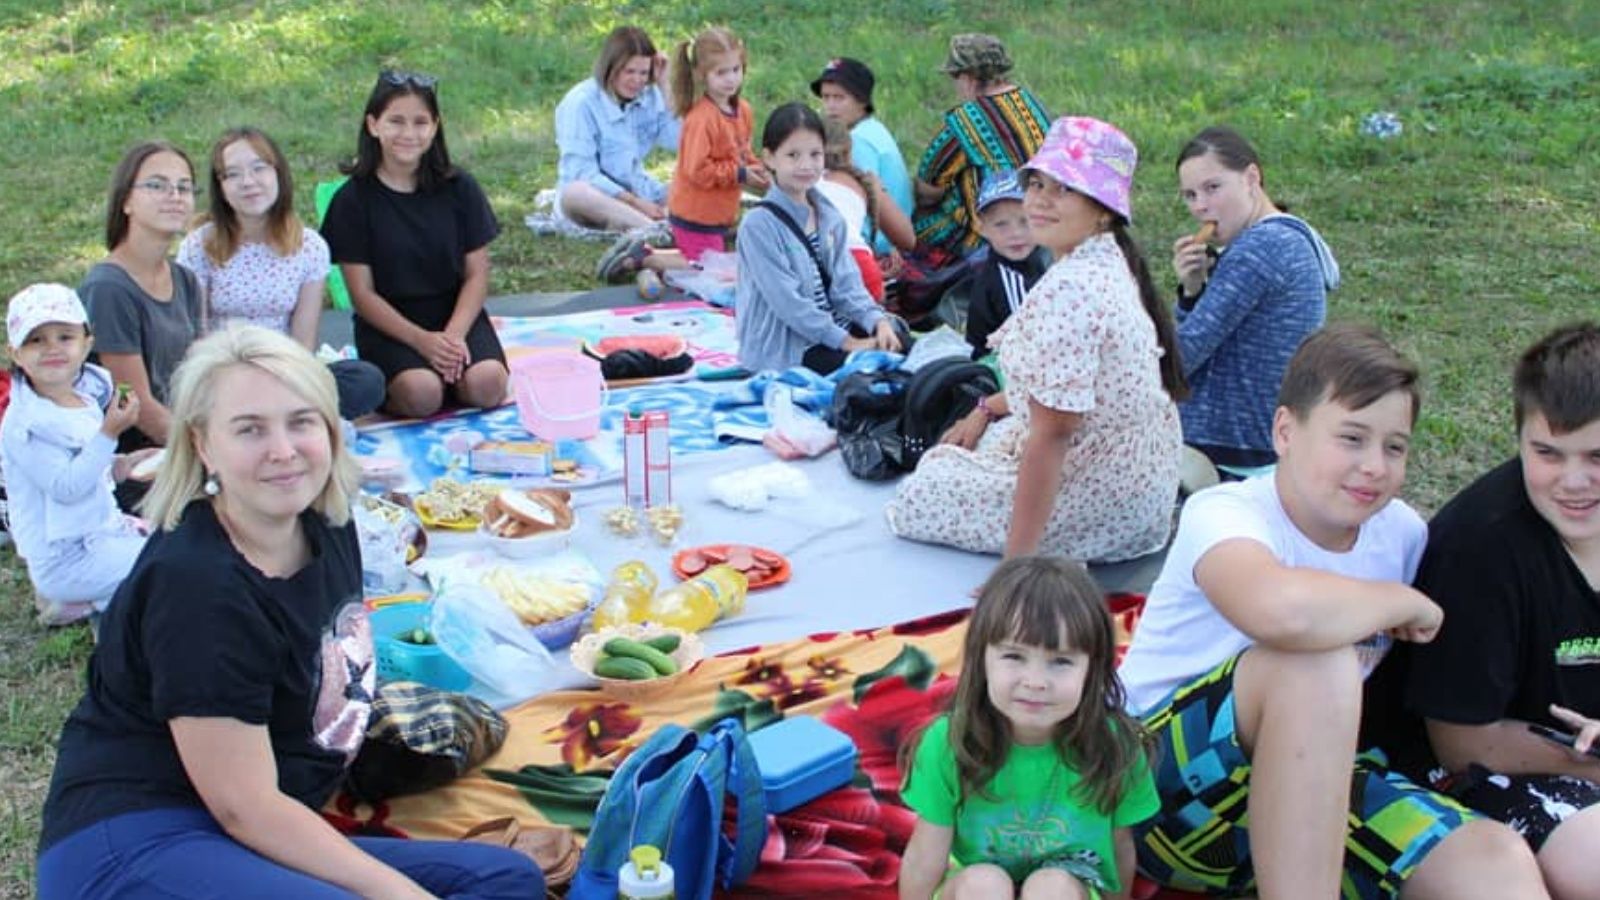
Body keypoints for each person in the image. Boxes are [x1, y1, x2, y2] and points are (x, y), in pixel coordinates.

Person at [35, 325, 544, 900]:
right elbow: (244, 808)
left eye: (301, 421)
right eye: (249, 429)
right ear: (203, 444)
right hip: (138, 839)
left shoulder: (327, 523)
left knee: (507, 878)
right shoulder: (199, 586)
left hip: (247, 823)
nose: (283, 450)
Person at [1116, 325, 1550, 900]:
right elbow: (1278, 613)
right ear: (1285, 431)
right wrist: (1396, 600)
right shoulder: (1224, 514)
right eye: (1351, 437)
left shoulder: (1402, 536)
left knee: (1492, 861)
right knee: (1316, 665)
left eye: (1394, 446)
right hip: (1148, 793)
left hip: (1308, 797)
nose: (1374, 464)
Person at [887, 116, 1185, 563]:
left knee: (921, 489)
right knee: (974, 441)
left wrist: (1016, 566)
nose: (1041, 202)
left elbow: (1052, 436)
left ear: (1102, 207)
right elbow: (1064, 394)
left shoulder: (1071, 289)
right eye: (1037, 185)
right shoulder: (1106, 257)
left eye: (1063, 189)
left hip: (1104, 497)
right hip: (1140, 484)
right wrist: (986, 408)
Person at [1395, 322, 1600, 897]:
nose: (1574, 481)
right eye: (1548, 453)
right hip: (1484, 773)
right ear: (1519, 440)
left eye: (1597, 455)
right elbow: (1463, 743)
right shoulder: (1481, 544)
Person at [898, 555, 1158, 900]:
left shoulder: (1115, 747)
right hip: (972, 880)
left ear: (1092, 669)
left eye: (1061, 661)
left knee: (1053, 888)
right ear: (982, 659)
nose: (1035, 682)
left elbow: (1120, 846)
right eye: (1014, 656)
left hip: (1072, 882)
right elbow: (923, 856)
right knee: (985, 884)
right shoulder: (948, 743)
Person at [322, 69, 509, 419]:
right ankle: (421, 384)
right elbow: (362, 295)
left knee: (488, 385)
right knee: (421, 395)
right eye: (396, 121)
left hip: (456, 315)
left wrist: (452, 338)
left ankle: (455, 378)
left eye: (420, 122)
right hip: (391, 323)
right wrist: (423, 341)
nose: (409, 133)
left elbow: (477, 275)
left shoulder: (460, 187)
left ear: (435, 127)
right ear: (373, 124)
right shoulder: (353, 201)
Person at [177, 127, 385, 421]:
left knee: (365, 379)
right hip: (221, 373)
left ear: (278, 173)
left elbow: (303, 343)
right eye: (232, 174)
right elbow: (194, 338)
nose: (248, 182)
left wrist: (284, 377)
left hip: (284, 372)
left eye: (258, 168)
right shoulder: (199, 245)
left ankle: (274, 414)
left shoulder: (309, 246)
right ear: (220, 187)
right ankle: (285, 416)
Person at [1170, 125, 1337, 473]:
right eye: (1190, 195)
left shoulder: (1261, 249)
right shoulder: (1290, 239)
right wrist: (1191, 291)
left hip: (1227, 451)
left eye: (1212, 188)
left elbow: (1181, 360)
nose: (1201, 206)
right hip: (1254, 442)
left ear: (1251, 178)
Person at [1, 284, 152, 625]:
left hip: (100, 533)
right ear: (15, 353)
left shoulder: (81, 397)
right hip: (66, 558)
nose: (52, 348)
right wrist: (109, 434)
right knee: (167, 560)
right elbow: (66, 487)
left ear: (87, 344)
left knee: (176, 538)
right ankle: (90, 599)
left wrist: (123, 466)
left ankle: (90, 599)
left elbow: (88, 467)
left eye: (64, 337)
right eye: (35, 340)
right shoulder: (26, 423)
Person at [735, 102, 902, 375]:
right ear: (769, 158)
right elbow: (790, 305)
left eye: (815, 154)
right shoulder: (758, 226)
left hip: (834, 333)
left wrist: (877, 322)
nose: (806, 165)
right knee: (872, 372)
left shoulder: (827, 215)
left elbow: (848, 286)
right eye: (793, 155)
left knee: (903, 352)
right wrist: (848, 343)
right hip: (789, 349)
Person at [82, 140, 205, 453]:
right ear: (126, 201)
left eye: (184, 187)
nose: (174, 196)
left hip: (178, 439)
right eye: (157, 185)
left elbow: (202, 375)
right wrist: (206, 451)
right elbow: (135, 403)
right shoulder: (109, 289)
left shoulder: (185, 280)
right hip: (127, 456)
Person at [912, 34, 1050, 262]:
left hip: (991, 238)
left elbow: (928, 190)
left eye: (954, 77)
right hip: (1039, 222)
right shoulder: (1030, 102)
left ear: (967, 78)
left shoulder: (964, 122)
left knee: (921, 225)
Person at [554, 25, 680, 232]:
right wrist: (635, 203)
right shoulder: (581, 103)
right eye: (629, 71)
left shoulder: (650, 94)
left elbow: (680, 141)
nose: (637, 81)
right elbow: (582, 172)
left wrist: (665, 85)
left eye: (643, 73)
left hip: (639, 189)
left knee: (701, 182)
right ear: (610, 67)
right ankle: (657, 231)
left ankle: (666, 223)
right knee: (576, 192)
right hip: (596, 197)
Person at [663, 26, 766, 263]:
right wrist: (741, 174)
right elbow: (698, 171)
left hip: (721, 214)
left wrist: (758, 169)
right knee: (709, 270)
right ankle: (645, 258)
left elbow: (742, 152)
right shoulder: (701, 119)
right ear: (701, 74)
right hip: (696, 215)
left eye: (736, 69)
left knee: (717, 264)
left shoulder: (743, 110)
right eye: (721, 73)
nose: (731, 79)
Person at [809, 56, 914, 255]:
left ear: (862, 101)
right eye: (826, 97)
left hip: (879, 244)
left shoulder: (858, 142)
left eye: (839, 97)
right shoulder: (873, 128)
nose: (830, 106)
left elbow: (863, 205)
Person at [951, 169, 1049, 360]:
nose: (1016, 233)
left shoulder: (1033, 258)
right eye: (1001, 225)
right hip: (997, 365)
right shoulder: (1005, 279)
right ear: (981, 228)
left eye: (1025, 221)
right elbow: (1030, 338)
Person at [818, 118, 916, 302]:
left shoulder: (797, 184)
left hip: (809, 268)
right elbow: (908, 240)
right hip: (859, 265)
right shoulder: (864, 182)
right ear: (850, 152)